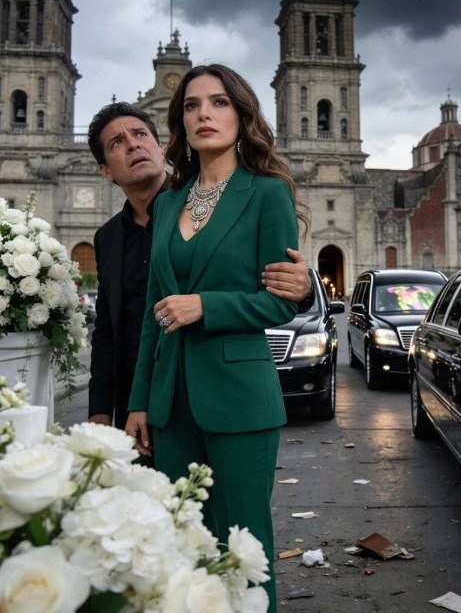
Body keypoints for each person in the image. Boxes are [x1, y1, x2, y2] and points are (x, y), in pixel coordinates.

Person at [125, 64, 307, 611]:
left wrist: (206, 305)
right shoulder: (167, 203)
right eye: (192, 105)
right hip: (170, 405)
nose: (204, 113)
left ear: (241, 114)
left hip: (240, 400)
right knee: (182, 547)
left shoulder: (268, 194)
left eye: (219, 102)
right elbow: (153, 313)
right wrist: (139, 402)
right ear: (180, 122)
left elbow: (280, 300)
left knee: (243, 551)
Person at [87, 102, 311, 431]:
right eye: (117, 142)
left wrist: (303, 289)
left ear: (160, 147)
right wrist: (100, 410)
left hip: (208, 391)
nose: (133, 145)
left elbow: (268, 285)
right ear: (106, 170)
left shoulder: (216, 205)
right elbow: (106, 329)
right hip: (138, 402)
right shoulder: (107, 238)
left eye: (140, 134)